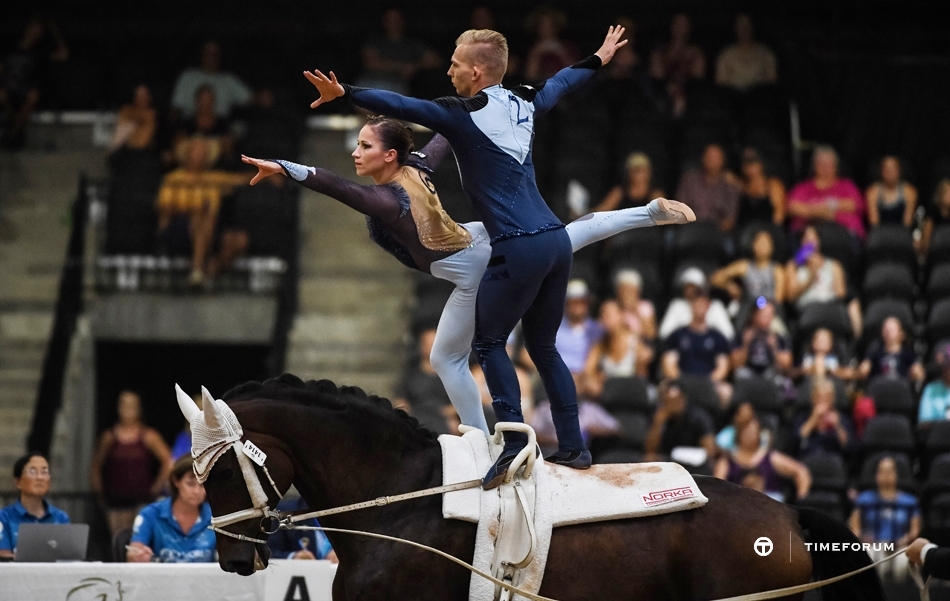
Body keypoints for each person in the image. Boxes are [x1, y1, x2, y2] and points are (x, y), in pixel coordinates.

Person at [301, 25, 696, 487]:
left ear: (475, 71)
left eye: (453, 63)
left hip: (517, 245)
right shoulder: (523, 101)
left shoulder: (461, 114)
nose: (446, 69)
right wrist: (598, 58)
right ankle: (573, 447)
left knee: (488, 345)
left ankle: (511, 446)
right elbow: (560, 84)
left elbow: (406, 108)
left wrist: (346, 91)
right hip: (552, 241)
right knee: (544, 348)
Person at [243, 114, 692, 447]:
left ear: (390, 155)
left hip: (476, 263)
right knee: (449, 353)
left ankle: (482, 438)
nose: (356, 153)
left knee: (562, 243)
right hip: (469, 254)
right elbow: (447, 134)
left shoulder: (389, 200)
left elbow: (335, 186)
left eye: (364, 145)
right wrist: (475, 108)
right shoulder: (414, 167)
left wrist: (285, 167)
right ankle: (478, 436)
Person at [156, 138, 250, 285]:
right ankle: (197, 270)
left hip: (212, 227)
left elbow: (240, 179)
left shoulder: (213, 178)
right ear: (186, 154)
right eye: (196, 151)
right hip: (180, 229)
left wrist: (268, 175)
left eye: (203, 152)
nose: (199, 155)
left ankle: (211, 269)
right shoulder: (173, 179)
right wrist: (194, 210)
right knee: (200, 216)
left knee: (240, 239)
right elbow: (165, 212)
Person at [90, 390, 173, 538]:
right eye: (124, 405)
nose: (128, 409)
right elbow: (96, 465)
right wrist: (99, 492)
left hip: (141, 499)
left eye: (132, 405)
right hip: (115, 501)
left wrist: (156, 488)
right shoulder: (109, 437)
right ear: (118, 407)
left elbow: (168, 460)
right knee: (117, 539)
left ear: (139, 408)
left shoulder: (148, 435)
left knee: (138, 539)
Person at [127, 456, 215, 563]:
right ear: (176, 481)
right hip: (162, 578)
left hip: (205, 579)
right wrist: (138, 556)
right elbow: (132, 553)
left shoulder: (216, 516)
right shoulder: (151, 513)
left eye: (202, 485)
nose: (197, 491)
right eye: (190, 484)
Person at [0, 17, 69, 149]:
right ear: (28, 28)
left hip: (26, 89)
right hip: (9, 86)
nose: (35, 34)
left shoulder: (40, 51)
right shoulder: (10, 46)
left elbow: (63, 55)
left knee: (33, 96)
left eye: (39, 32)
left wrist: (54, 31)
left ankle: (13, 132)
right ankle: (16, 130)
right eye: (34, 30)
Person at [849, 456, 920, 581]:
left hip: (899, 545)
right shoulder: (864, 500)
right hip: (873, 544)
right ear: (876, 475)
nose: (886, 475)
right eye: (882, 471)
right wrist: (861, 537)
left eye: (889, 471)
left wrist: (904, 540)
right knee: (867, 557)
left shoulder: (909, 502)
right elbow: (855, 527)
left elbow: (915, 531)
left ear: (896, 474)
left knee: (902, 563)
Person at [662, 290, 733, 406]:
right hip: (682, 380)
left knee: (726, 392)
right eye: (697, 303)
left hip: (709, 381)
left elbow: (723, 366)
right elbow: (668, 365)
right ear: (691, 305)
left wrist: (707, 383)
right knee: (668, 391)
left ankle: (720, 423)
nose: (700, 307)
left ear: (709, 306)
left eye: (704, 304)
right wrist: (682, 381)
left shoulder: (717, 337)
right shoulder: (677, 335)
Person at [714, 418, 810, 502]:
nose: (750, 435)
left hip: (771, 506)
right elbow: (716, 486)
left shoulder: (771, 457)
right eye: (746, 432)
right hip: (737, 506)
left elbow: (801, 471)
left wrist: (802, 500)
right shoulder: (727, 461)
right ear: (739, 435)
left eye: (753, 432)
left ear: (759, 434)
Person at [356, 8, 440, 96]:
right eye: (390, 20)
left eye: (396, 20)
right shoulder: (374, 41)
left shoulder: (412, 44)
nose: (393, 23)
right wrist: (401, 67)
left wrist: (414, 67)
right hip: (369, 82)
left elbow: (435, 60)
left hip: (396, 85)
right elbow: (371, 63)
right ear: (384, 22)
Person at [787, 146, 865, 240]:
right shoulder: (803, 187)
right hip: (808, 232)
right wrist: (820, 212)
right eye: (821, 164)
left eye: (829, 164)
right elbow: (793, 207)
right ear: (814, 166)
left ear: (836, 166)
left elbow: (854, 204)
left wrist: (828, 206)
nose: (825, 167)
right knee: (810, 237)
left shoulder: (847, 185)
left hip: (843, 232)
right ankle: (805, 254)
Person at [0, 453, 69, 558]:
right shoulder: (4, 517)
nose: (40, 477)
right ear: (17, 482)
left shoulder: (61, 517)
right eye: (32, 472)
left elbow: (68, 556)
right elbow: (3, 556)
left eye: (45, 472)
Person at [784, 226, 853, 329]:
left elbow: (841, 294)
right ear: (801, 242)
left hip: (830, 305)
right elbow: (790, 297)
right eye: (806, 238)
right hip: (807, 307)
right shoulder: (793, 266)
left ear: (819, 241)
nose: (810, 242)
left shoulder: (833, 264)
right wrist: (811, 278)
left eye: (813, 238)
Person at [583, 299, 653, 399]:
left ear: (621, 315)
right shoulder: (599, 345)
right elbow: (587, 371)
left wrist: (641, 363)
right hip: (608, 394)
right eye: (602, 315)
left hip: (632, 392)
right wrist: (597, 376)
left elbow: (641, 378)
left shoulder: (636, 341)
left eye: (608, 315)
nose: (605, 319)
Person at [711, 229, 786, 317]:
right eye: (760, 242)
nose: (763, 246)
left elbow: (778, 300)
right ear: (753, 245)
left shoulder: (777, 270)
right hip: (749, 310)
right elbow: (715, 278)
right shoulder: (744, 266)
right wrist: (729, 286)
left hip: (769, 310)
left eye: (766, 243)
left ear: (772, 247)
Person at [394, 328, 455, 435]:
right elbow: (400, 398)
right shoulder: (410, 373)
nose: (432, 347)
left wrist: (451, 412)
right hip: (416, 416)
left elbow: (464, 398)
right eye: (428, 343)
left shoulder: (452, 372)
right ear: (421, 345)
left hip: (442, 419)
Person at [644, 380, 716, 466]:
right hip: (668, 461)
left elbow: (710, 451)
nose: (672, 405)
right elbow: (650, 451)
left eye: (676, 401)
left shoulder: (699, 417)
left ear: (683, 399)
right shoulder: (659, 417)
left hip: (693, 463)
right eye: (667, 402)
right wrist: (658, 423)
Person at [171, 41, 251, 119]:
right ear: (202, 55)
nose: (210, 57)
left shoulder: (228, 80)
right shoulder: (188, 76)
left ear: (219, 56)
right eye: (207, 53)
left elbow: (250, 98)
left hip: (220, 125)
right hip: (191, 125)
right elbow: (176, 108)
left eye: (214, 54)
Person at [648, 14, 705, 116]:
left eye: (684, 25)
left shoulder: (696, 52)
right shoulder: (660, 51)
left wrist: (680, 90)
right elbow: (657, 76)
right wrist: (670, 88)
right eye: (678, 24)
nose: (680, 28)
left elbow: (698, 76)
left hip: (689, 93)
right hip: (663, 92)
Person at [675, 144, 740, 233]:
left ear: (723, 161)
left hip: (718, 231)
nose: (711, 160)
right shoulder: (689, 180)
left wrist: (710, 231)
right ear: (703, 158)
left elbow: (730, 220)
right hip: (691, 228)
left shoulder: (729, 185)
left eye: (715, 157)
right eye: (709, 156)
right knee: (670, 237)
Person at [659, 267, 735, 341]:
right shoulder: (677, 305)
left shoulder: (715, 306)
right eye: (687, 287)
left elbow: (729, 335)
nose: (690, 290)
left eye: (694, 287)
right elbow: (664, 334)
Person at [793, 377, 856, 458]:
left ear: (832, 400)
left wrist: (838, 426)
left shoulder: (842, 419)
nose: (822, 401)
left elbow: (851, 448)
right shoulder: (802, 418)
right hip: (808, 460)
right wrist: (812, 421)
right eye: (818, 397)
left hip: (833, 462)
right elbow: (794, 444)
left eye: (826, 398)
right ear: (812, 399)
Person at [731, 299, 792, 380]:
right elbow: (735, 364)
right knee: (741, 374)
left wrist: (774, 348)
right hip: (749, 373)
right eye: (763, 314)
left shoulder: (778, 337)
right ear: (753, 315)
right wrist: (746, 345)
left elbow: (786, 365)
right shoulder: (742, 335)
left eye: (770, 315)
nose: (767, 318)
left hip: (769, 374)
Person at [173, 85, 235, 164]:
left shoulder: (223, 124)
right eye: (203, 100)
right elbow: (177, 147)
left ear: (214, 101)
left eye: (209, 100)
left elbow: (228, 150)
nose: (206, 104)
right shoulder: (186, 123)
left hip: (217, 169)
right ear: (197, 101)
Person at [714, 15, 778, 91]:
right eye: (740, 25)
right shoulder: (726, 54)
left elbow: (772, 82)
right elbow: (721, 85)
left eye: (747, 25)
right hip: (733, 98)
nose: (744, 29)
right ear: (735, 28)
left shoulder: (766, 53)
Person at [267, 495, 337, 562]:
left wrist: (342, 554)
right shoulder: (285, 512)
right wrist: (293, 557)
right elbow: (269, 552)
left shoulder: (343, 509)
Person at [555, 280, 603, 377]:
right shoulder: (554, 326)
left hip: (582, 377)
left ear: (588, 304)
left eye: (582, 302)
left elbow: (594, 358)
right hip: (555, 374)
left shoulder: (595, 329)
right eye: (573, 302)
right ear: (566, 304)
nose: (577, 306)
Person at [857, 317, 924, 384]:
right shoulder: (875, 350)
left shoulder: (908, 352)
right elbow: (864, 369)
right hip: (879, 387)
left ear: (901, 334)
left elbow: (920, 373)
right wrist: (864, 369)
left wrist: (914, 373)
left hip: (900, 387)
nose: (888, 332)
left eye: (891, 330)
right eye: (886, 329)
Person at [593, 152, 665, 213]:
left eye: (642, 171)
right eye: (636, 171)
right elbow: (602, 211)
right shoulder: (620, 192)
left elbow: (663, 216)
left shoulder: (655, 194)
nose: (639, 175)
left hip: (647, 228)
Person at [524, 7, 579, 82]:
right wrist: (537, 53)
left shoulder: (568, 46)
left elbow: (575, 75)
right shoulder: (531, 48)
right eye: (542, 25)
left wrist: (561, 52)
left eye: (550, 25)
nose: (546, 29)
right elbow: (530, 76)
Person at [734, 147, 786, 227]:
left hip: (768, 231)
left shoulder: (773, 185)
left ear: (761, 163)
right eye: (745, 162)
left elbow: (779, 214)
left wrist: (771, 232)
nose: (749, 166)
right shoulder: (740, 186)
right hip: (744, 233)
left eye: (752, 161)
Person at [865, 156, 917, 228]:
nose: (890, 172)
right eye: (886, 169)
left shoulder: (909, 191)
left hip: (902, 231)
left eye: (893, 169)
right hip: (880, 232)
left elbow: (908, 223)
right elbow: (874, 223)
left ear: (899, 170)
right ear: (881, 171)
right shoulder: (873, 191)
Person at [109, 84, 157, 153]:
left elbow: (144, 140)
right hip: (126, 150)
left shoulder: (153, 114)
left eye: (144, 96)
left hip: (145, 152)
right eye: (138, 96)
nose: (141, 99)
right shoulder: (127, 110)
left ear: (150, 97)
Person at [613, 269, 657, 341]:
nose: (626, 294)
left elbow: (651, 334)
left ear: (638, 292)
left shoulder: (645, 307)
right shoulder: (612, 306)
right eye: (623, 290)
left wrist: (635, 311)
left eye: (630, 290)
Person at [918, 342, 950, 430]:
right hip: (938, 436)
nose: (948, 371)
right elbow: (924, 422)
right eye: (946, 367)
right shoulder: (931, 389)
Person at [919, 178, 950, 257]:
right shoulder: (932, 211)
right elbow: (926, 236)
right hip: (936, 252)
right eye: (947, 193)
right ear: (940, 195)